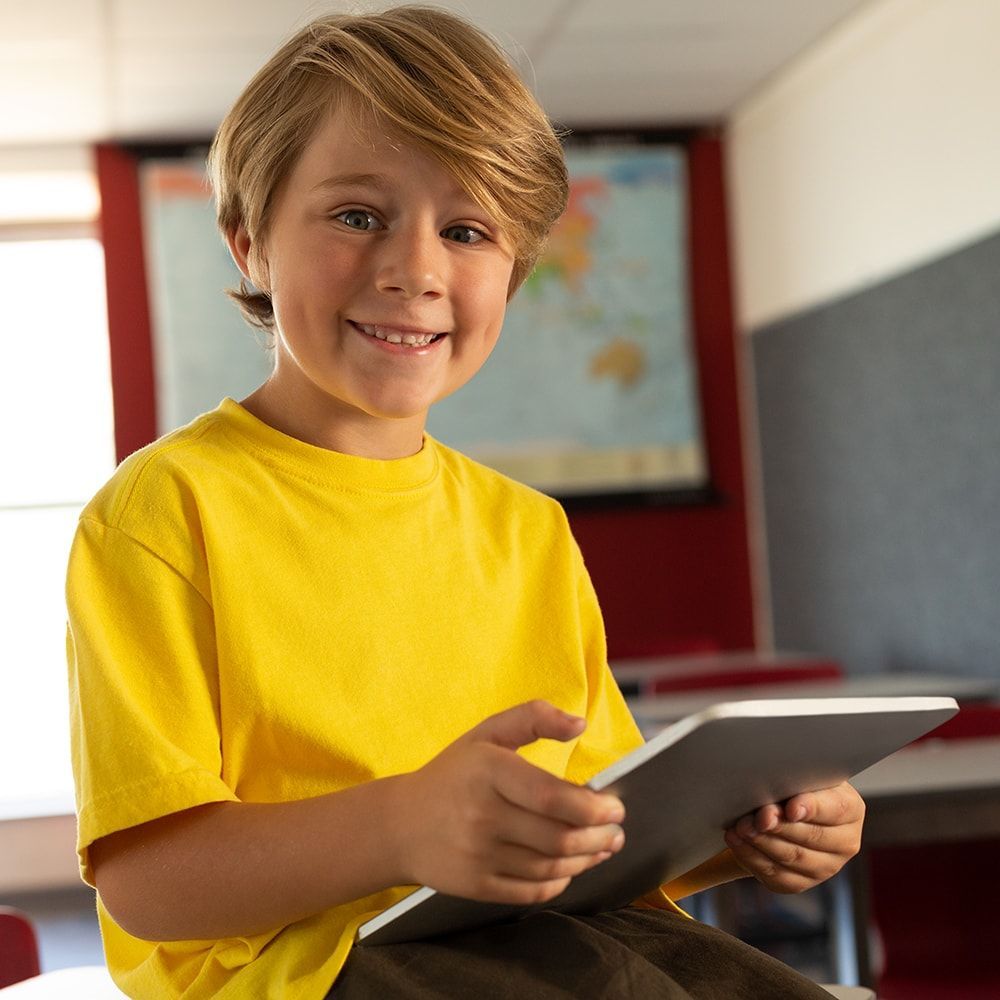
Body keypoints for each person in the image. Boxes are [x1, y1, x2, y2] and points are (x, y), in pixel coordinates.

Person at [65, 6, 865, 998]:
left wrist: (744, 827)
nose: (415, 269)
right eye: (357, 214)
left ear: (513, 272)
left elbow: (597, 819)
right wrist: (404, 824)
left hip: (540, 930)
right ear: (247, 240)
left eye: (467, 229)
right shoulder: (162, 510)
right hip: (303, 969)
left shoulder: (527, 530)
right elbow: (148, 884)